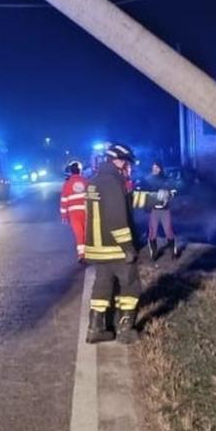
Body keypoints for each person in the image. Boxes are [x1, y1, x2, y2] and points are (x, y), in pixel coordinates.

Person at [83, 143, 142, 345]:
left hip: (98, 249)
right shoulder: (112, 183)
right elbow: (117, 216)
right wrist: (128, 247)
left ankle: (95, 329)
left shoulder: (96, 181)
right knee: (130, 285)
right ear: (118, 161)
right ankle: (125, 330)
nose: (129, 167)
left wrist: (155, 199)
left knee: (102, 285)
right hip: (115, 248)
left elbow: (127, 200)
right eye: (127, 163)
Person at [60, 161, 87, 262]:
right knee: (87, 232)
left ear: (71, 172)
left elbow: (64, 201)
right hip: (86, 211)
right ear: (80, 171)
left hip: (74, 214)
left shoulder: (67, 184)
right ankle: (90, 252)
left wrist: (64, 216)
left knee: (78, 233)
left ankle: (81, 254)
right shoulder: (86, 181)